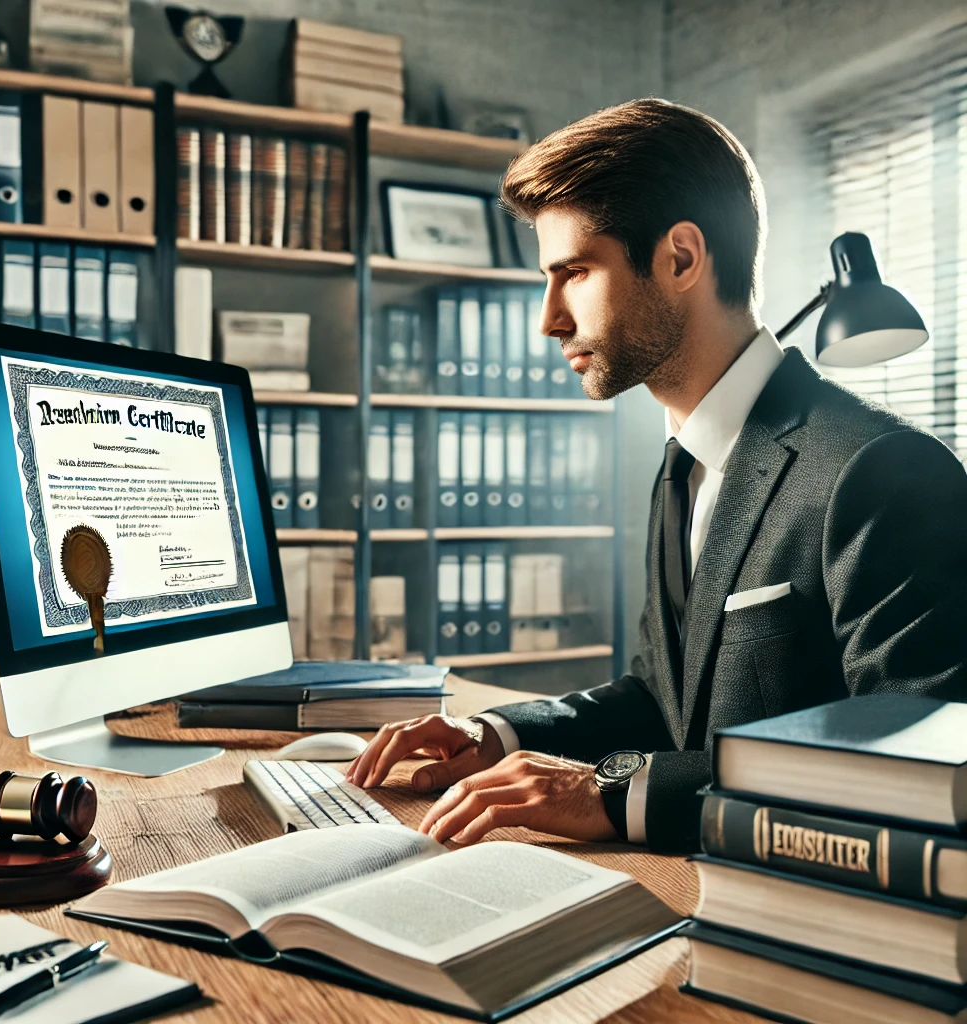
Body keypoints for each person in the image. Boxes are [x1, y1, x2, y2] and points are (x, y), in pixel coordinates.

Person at [347, 98, 967, 853]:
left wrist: (612, 794)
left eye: (574, 272)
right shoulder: (682, 464)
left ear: (680, 257)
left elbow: (919, 761)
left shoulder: (881, 471)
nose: (549, 319)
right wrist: (499, 735)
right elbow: (662, 699)